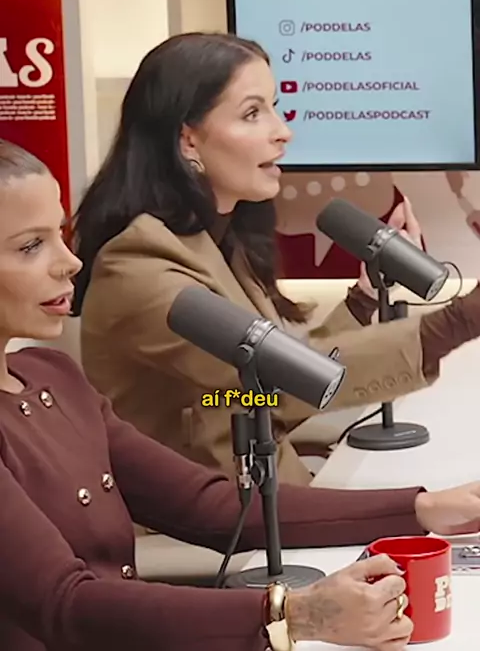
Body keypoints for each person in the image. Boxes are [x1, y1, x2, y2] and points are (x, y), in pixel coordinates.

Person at [3, 137, 480, 651]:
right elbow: (65, 603)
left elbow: (209, 506)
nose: (71, 262)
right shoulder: (143, 267)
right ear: (188, 138)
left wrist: (422, 508)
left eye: (60, 235)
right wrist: (292, 615)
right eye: (30, 246)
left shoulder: (53, 377)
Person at [73, 32, 480, 486]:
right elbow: (280, 386)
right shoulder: (139, 269)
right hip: (213, 519)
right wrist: (457, 321)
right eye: (253, 113)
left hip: (267, 494)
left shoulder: (216, 243)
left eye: (274, 107)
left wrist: (364, 299)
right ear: (188, 140)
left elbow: (272, 383)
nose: (283, 131)